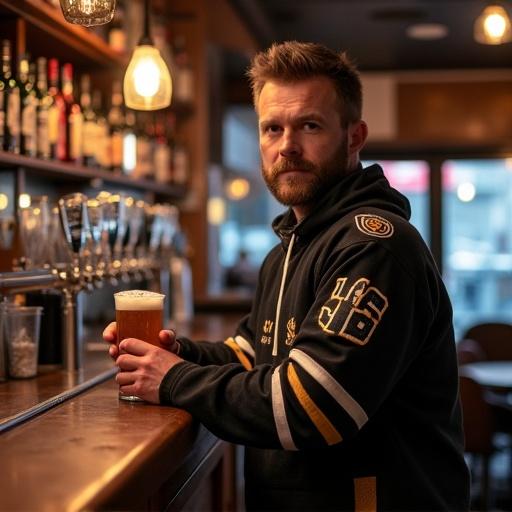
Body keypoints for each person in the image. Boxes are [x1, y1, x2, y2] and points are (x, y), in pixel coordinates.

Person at [103, 41, 470, 511]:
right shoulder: (291, 246)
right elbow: (253, 354)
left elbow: (312, 408)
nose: (287, 147)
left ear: (354, 137)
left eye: (309, 126)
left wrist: (173, 379)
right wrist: (173, 352)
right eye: (271, 128)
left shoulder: (374, 246)